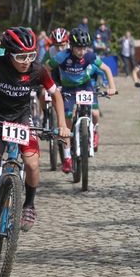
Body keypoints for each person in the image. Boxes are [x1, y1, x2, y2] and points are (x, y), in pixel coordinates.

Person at [0, 27, 70, 243]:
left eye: (30, 56)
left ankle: (29, 204)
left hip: (22, 120)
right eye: (21, 57)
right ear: (8, 54)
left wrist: (62, 124)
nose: (26, 61)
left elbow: (55, 94)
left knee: (32, 165)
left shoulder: (38, 70)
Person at [46, 28, 117, 173]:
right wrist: (51, 86)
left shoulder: (90, 56)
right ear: (71, 46)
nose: (81, 51)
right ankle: (66, 158)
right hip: (67, 89)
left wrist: (112, 87)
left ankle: (94, 132)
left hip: (85, 86)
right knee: (66, 123)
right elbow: (46, 68)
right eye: (78, 48)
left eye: (84, 48)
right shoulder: (62, 56)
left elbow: (107, 69)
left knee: (96, 114)